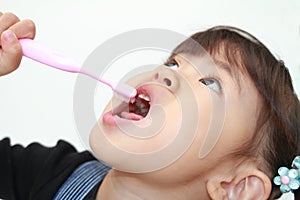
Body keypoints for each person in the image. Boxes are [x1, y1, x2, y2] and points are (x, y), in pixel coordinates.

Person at [0, 12, 299, 200]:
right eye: (174, 62)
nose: (166, 74)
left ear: (237, 187)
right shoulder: (60, 174)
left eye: (210, 83)